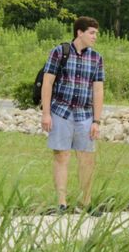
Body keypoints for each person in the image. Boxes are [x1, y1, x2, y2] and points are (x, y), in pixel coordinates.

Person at [40, 16, 105, 214]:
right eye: (92, 33)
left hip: (85, 114)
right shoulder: (60, 52)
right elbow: (47, 83)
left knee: (87, 159)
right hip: (61, 111)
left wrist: (96, 120)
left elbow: (98, 90)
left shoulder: (96, 58)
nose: (95, 37)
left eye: (96, 33)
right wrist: (46, 114)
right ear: (80, 32)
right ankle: (61, 203)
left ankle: (86, 203)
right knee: (62, 156)